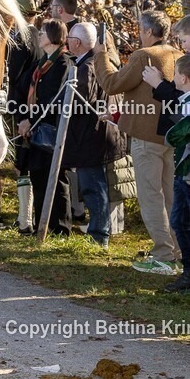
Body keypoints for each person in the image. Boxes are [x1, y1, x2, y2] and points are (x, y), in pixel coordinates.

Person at [94, 10, 182, 275]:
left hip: (147, 140)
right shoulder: (179, 55)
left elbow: (112, 84)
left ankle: (163, 255)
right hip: (171, 137)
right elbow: (151, 99)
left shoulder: (144, 56)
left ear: (146, 31)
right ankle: (177, 251)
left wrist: (101, 54)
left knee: (150, 197)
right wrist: (121, 115)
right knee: (172, 197)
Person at [62, 22, 127, 248]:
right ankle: (99, 230)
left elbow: (82, 101)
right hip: (96, 134)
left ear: (77, 43)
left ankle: (99, 235)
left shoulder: (87, 66)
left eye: (69, 37)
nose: (66, 40)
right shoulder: (93, 61)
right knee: (93, 184)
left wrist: (60, 105)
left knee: (93, 186)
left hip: (91, 136)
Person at [17, 18, 72, 235]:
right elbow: (22, 88)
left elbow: (54, 98)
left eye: (43, 32)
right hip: (34, 129)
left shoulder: (63, 63)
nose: (39, 35)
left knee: (56, 179)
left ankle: (61, 227)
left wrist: (32, 120)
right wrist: (23, 118)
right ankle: (44, 225)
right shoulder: (41, 64)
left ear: (54, 37)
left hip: (51, 129)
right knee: (38, 177)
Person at [8, 0, 41, 233]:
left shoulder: (23, 39)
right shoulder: (38, 35)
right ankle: (26, 217)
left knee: (22, 163)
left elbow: (14, 76)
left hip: (22, 105)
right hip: (31, 106)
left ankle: (24, 219)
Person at [162, 55, 190, 293]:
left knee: (183, 222)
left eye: (174, 75)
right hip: (182, 171)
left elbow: (176, 135)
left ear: (183, 77)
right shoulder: (184, 100)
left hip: (188, 172)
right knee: (179, 222)